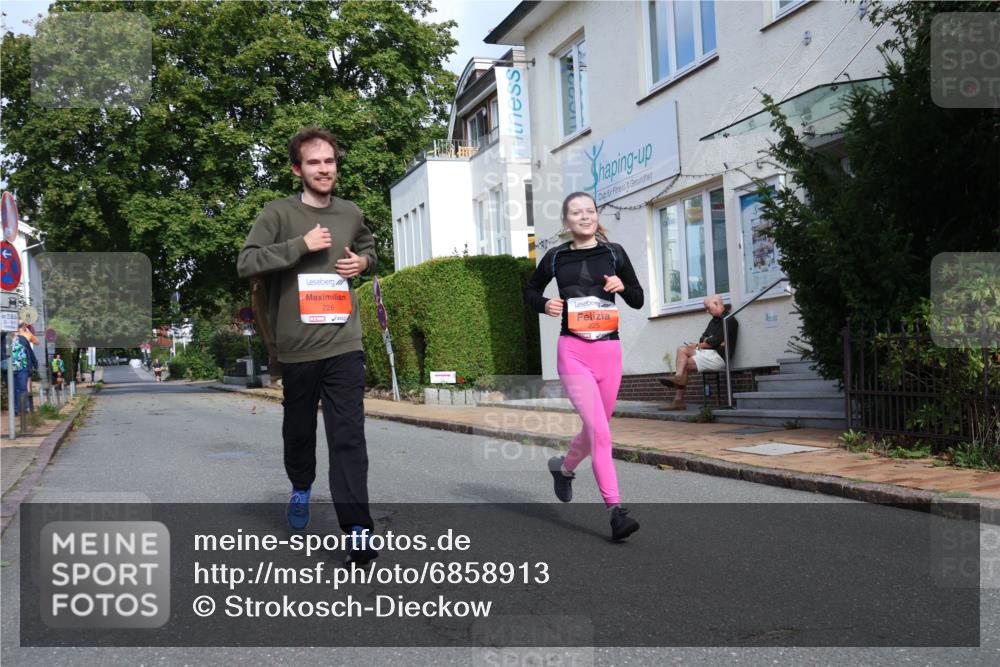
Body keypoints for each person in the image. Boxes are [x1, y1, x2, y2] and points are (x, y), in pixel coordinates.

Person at [237, 126, 378, 565]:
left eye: (330, 161)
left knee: (348, 436)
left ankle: (357, 527)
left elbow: (370, 244)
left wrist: (363, 261)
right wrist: (300, 245)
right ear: (297, 169)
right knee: (299, 432)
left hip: (344, 342)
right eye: (314, 162)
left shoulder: (350, 213)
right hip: (297, 348)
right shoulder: (278, 214)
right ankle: (301, 485)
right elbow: (247, 261)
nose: (324, 169)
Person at [524, 191, 644, 542]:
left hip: (609, 352)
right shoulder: (556, 256)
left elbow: (637, 299)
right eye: (576, 213)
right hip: (572, 352)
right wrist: (545, 304)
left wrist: (623, 287)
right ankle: (615, 512)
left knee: (596, 430)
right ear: (566, 221)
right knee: (602, 433)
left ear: (596, 215)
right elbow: (530, 291)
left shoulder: (614, 253)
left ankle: (563, 469)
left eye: (589, 211)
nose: (584, 217)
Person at [659, 294, 739, 410]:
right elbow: (704, 339)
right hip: (708, 354)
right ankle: (678, 385)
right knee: (681, 350)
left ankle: (678, 397)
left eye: (708, 308)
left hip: (719, 357)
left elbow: (712, 341)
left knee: (683, 362)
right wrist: (709, 342)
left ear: (716, 304)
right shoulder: (713, 322)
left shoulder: (729, 320)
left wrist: (707, 342)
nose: (707, 311)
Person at [11, 323, 38, 416]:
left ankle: (23, 408)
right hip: (10, 369)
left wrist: (35, 364)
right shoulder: (4, 340)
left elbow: (30, 352)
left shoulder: (22, 339)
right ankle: (15, 409)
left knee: (22, 387)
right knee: (13, 389)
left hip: (23, 367)